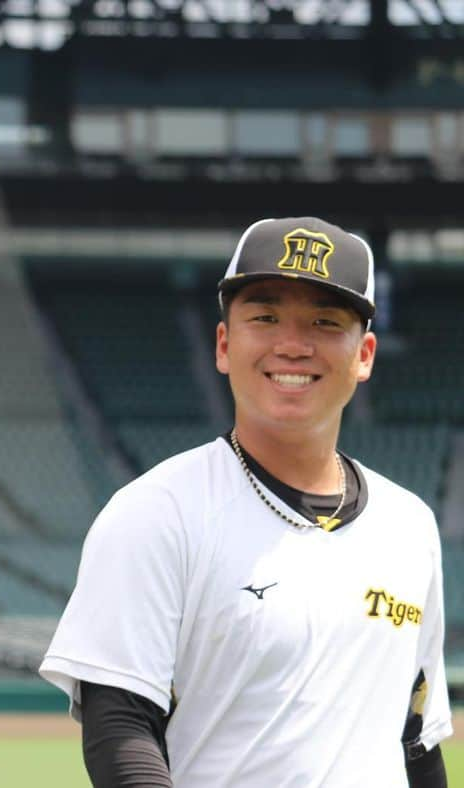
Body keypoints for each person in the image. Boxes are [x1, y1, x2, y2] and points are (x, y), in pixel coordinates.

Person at [40, 217, 451, 787]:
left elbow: (416, 742)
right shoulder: (158, 512)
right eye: (265, 316)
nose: (292, 344)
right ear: (225, 344)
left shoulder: (410, 526)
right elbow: (121, 733)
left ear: (365, 355)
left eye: (325, 322)